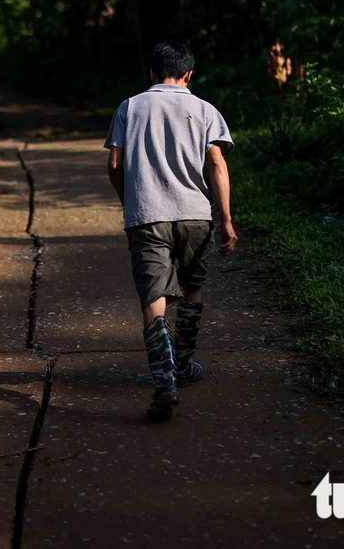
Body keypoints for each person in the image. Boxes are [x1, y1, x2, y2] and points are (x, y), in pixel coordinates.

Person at [104, 42, 237, 421]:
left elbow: (115, 163)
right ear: (189, 74)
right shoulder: (205, 110)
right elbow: (216, 164)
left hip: (147, 215)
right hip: (196, 214)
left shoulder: (129, 107)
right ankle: (185, 363)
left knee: (153, 297)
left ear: (151, 73)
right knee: (193, 287)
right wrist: (225, 219)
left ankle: (165, 379)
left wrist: (128, 198)